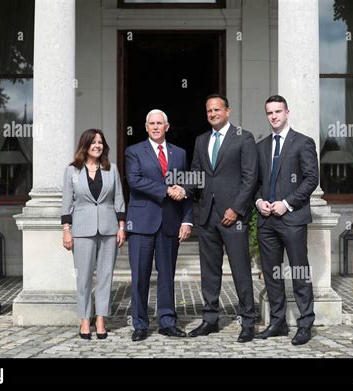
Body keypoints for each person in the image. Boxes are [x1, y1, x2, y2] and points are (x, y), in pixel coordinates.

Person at [185, 94, 258, 343]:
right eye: (209, 111)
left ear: (228, 111)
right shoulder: (201, 140)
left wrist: (236, 209)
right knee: (210, 271)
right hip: (207, 216)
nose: (213, 113)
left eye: (217, 109)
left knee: (240, 269)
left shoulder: (243, 137)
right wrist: (182, 189)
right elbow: (196, 173)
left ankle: (248, 321)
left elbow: (250, 177)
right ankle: (210, 319)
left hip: (233, 216)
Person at [254, 95, 318, 345]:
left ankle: (305, 323)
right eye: (269, 112)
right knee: (271, 274)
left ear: (287, 112)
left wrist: (287, 203)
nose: (274, 116)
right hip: (266, 220)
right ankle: (277, 322)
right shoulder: (261, 147)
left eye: (278, 111)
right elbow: (256, 183)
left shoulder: (303, 142)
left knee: (299, 271)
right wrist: (260, 202)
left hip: (292, 218)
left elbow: (311, 179)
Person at [125, 109, 193, 342]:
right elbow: (134, 181)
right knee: (140, 276)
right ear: (145, 127)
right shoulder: (134, 152)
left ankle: (167, 322)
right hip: (142, 224)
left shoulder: (180, 153)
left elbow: (185, 189)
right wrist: (165, 190)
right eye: (151, 123)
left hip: (170, 223)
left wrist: (187, 219)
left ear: (167, 126)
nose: (155, 127)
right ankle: (140, 324)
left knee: (167, 275)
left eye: (159, 123)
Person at [61, 129, 126, 340]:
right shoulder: (72, 171)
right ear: (85, 145)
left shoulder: (111, 169)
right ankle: (84, 320)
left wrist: (122, 227)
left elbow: (118, 199)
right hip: (81, 230)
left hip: (109, 229)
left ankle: (100, 320)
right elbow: (66, 203)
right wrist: (66, 231)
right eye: (93, 142)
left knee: (106, 276)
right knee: (84, 278)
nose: (97, 145)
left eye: (100, 142)